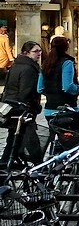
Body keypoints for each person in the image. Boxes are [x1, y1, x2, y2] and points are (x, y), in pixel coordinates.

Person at [0, 40, 44, 169]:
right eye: (35, 51)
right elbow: (26, 92)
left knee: (13, 140)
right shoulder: (29, 69)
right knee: (27, 140)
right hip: (21, 110)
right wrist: (36, 107)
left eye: (40, 51)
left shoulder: (16, 65)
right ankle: (38, 166)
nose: (39, 54)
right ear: (26, 53)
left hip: (10, 108)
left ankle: (5, 165)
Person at [38, 35, 79, 117]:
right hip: (67, 109)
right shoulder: (67, 63)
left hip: (49, 109)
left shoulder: (45, 63)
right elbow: (67, 86)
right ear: (66, 48)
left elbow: (40, 88)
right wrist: (77, 89)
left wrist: (51, 94)